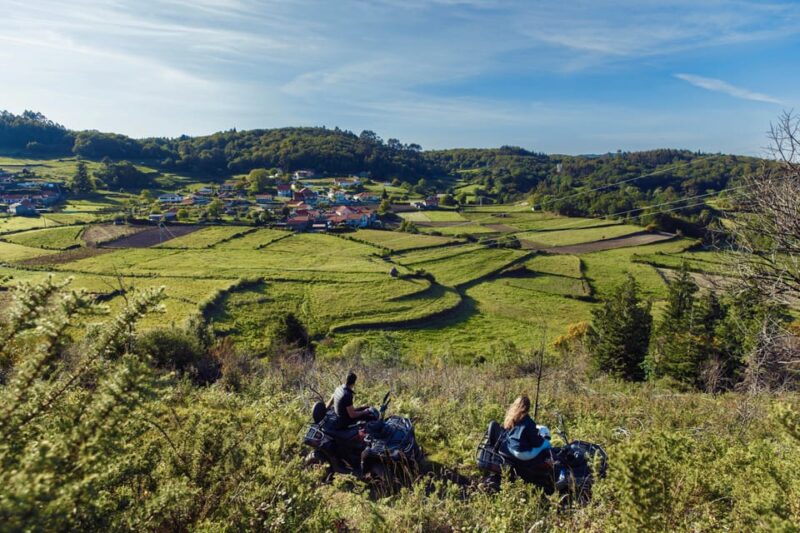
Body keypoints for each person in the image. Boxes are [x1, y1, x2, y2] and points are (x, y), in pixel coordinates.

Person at [501, 395, 551, 462]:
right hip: (521, 454)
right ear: (528, 407)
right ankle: (548, 465)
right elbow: (536, 443)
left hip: (510, 448)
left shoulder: (511, 417)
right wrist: (542, 438)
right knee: (547, 443)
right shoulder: (528, 422)